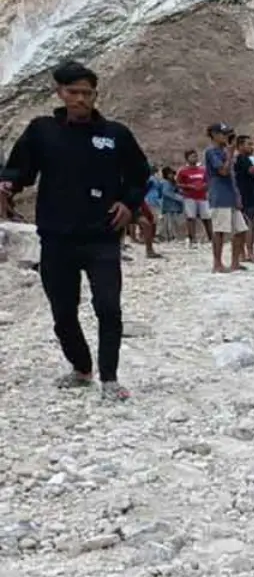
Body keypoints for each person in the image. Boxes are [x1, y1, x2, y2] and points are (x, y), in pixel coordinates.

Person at [0, 61, 150, 402]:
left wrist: (129, 204)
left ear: (96, 95)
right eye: (74, 92)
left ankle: (110, 378)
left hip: (103, 236)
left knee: (109, 307)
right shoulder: (41, 131)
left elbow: (140, 174)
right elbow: (19, 170)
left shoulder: (116, 135)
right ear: (60, 93)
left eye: (87, 93)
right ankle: (81, 368)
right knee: (63, 311)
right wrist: (8, 184)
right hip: (56, 237)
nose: (81, 99)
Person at [203, 124, 248, 272]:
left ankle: (235, 262)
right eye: (223, 134)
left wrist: (237, 195)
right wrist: (229, 154)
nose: (226, 137)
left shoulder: (223, 151)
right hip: (219, 195)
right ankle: (217, 264)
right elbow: (223, 171)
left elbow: (231, 175)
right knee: (219, 231)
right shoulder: (211, 152)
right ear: (214, 135)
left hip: (230, 195)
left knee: (241, 230)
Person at [233, 134, 254, 263]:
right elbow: (252, 171)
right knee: (250, 224)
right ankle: (249, 253)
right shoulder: (242, 159)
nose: (251, 147)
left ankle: (243, 253)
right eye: (248, 144)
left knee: (245, 225)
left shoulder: (243, 159)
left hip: (248, 194)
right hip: (247, 195)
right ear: (240, 146)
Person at [177, 149, 212, 246]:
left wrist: (205, 186)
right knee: (191, 217)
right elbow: (178, 184)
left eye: (196, 156)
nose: (195, 158)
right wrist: (189, 187)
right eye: (192, 156)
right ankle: (193, 238)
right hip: (189, 197)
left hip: (202, 197)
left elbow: (208, 180)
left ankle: (211, 238)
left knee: (207, 217)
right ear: (187, 158)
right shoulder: (182, 170)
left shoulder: (203, 169)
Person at [160, 167, 185, 241]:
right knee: (169, 222)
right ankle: (170, 237)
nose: (171, 175)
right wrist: (178, 197)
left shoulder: (173, 182)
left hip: (175, 206)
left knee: (175, 222)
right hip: (168, 205)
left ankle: (174, 236)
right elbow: (166, 193)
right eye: (170, 174)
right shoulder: (165, 183)